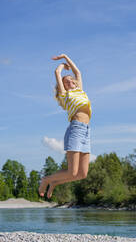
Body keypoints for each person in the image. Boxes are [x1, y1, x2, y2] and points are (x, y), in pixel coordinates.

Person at [38, 54, 92, 199]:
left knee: (82, 174)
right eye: (65, 82)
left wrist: (66, 57)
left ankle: (54, 183)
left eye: (70, 80)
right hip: (76, 129)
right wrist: (62, 66)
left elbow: (78, 72)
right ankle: (45, 180)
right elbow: (57, 73)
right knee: (71, 172)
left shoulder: (79, 90)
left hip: (87, 131)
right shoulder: (64, 96)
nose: (69, 82)